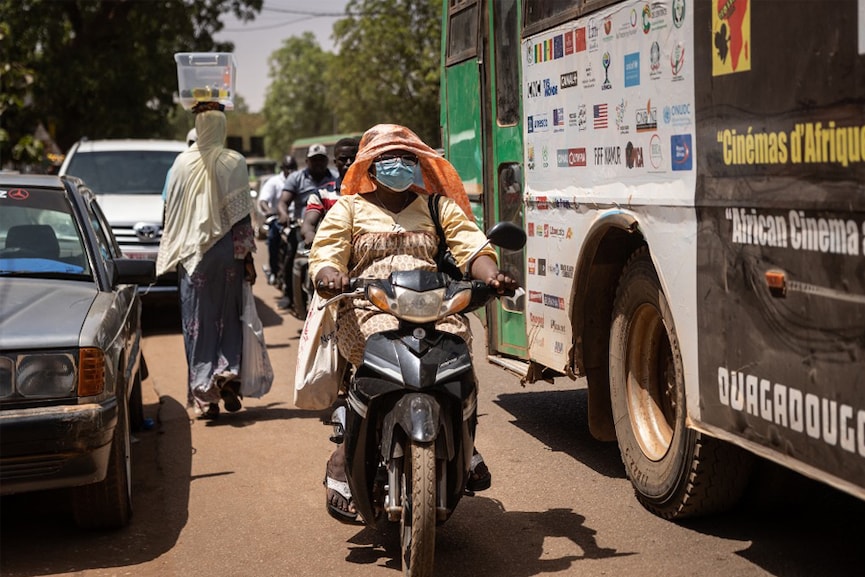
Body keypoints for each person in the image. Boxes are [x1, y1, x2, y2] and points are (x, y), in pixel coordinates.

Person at [309, 123, 519, 521]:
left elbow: (472, 246)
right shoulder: (349, 208)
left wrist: (491, 275)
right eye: (388, 159)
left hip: (434, 304)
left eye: (406, 158)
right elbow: (327, 254)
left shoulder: (438, 206)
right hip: (370, 305)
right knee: (369, 364)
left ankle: (465, 440)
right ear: (370, 168)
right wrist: (328, 275)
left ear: (419, 165)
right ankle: (342, 459)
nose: (398, 165)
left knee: (458, 349)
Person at [156, 103, 257, 420]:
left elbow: (168, 211)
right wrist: (247, 257)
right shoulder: (234, 161)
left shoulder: (181, 164)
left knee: (197, 322)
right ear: (222, 127)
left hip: (192, 255)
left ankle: (205, 393)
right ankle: (227, 374)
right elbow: (242, 217)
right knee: (228, 315)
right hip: (227, 252)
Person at [276, 143, 337, 311]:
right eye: (314, 160)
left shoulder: (335, 179)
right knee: (292, 253)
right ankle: (289, 294)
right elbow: (283, 202)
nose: (318, 163)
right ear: (307, 161)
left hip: (329, 228)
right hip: (301, 226)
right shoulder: (296, 178)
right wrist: (284, 215)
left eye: (321, 160)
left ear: (327, 161)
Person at [300, 137, 358, 247]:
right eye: (343, 159)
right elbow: (309, 223)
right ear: (335, 163)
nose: (348, 163)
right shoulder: (322, 194)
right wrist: (310, 235)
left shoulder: (373, 191)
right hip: (333, 250)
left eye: (353, 159)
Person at [259, 155, 298, 285]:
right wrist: (270, 212)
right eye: (288, 168)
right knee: (273, 236)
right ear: (282, 168)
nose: (291, 171)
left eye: (293, 168)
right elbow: (263, 201)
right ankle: (274, 271)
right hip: (279, 219)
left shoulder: (300, 179)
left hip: (298, 220)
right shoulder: (274, 182)